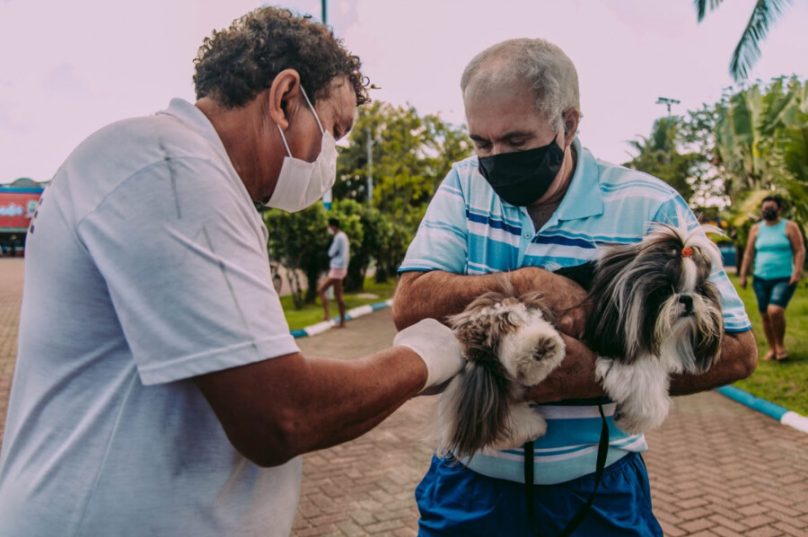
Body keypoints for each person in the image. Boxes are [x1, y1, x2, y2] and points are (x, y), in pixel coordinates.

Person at [0, 8, 464, 537]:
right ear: (284, 99)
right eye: (334, 131)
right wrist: (424, 356)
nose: (330, 158)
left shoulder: (182, 171)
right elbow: (280, 414)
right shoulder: (168, 166)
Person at [393, 38, 758, 536]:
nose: (496, 158)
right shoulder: (463, 184)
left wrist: (593, 376)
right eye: (482, 143)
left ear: (568, 124)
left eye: (516, 141)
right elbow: (410, 304)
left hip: (599, 487)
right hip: (471, 482)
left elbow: (739, 352)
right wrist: (525, 282)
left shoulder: (649, 205)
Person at [739, 195, 805, 361]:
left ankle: (780, 346)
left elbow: (799, 250)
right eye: (765, 208)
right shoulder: (756, 229)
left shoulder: (789, 227)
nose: (767, 211)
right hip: (760, 278)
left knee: (775, 311)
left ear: (779, 209)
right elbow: (748, 253)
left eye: (771, 208)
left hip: (784, 277)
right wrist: (743, 274)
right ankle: (772, 348)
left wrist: (797, 271)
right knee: (765, 315)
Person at [319, 216, 350, 327]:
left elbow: (331, 252)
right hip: (341, 268)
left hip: (337, 268)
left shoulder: (338, 237)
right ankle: (341, 321)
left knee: (322, 290)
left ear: (333, 226)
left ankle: (328, 316)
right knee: (338, 294)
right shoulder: (344, 236)